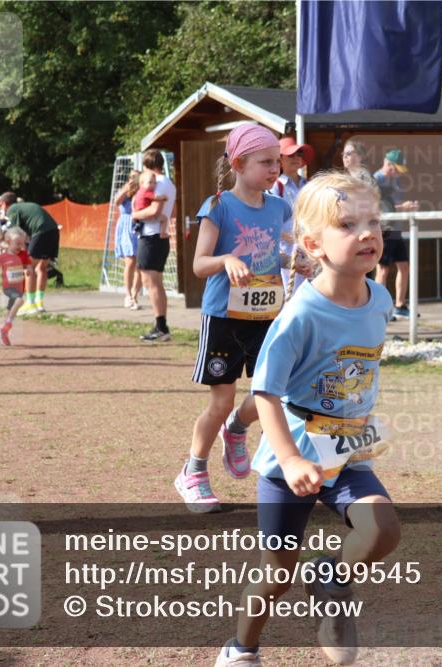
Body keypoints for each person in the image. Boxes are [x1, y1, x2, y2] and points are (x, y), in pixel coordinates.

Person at [213, 171, 400, 667]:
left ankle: (333, 581)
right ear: (313, 244)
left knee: (382, 529)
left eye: (373, 221)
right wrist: (293, 458)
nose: (367, 233)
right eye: (347, 224)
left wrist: (362, 421)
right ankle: (241, 648)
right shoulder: (300, 314)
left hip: (346, 452)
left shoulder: (379, 300)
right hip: (289, 460)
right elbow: (268, 392)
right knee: (276, 570)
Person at [176, 124, 292, 513]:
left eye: (277, 161)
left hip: (267, 314)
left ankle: (239, 429)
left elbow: (281, 251)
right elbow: (198, 265)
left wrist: (301, 261)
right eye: (265, 162)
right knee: (222, 400)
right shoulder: (218, 206)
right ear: (239, 163)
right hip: (224, 317)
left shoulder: (279, 207)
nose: (274, 169)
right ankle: (193, 472)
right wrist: (226, 260)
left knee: (271, 390)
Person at [130, 148, 177, 342]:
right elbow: (171, 212)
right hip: (159, 237)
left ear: (147, 165)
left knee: (151, 283)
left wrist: (134, 215)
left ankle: (160, 327)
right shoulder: (170, 184)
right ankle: (162, 325)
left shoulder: (158, 183)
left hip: (151, 236)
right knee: (156, 283)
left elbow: (154, 210)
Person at [0, 192, 59, 315]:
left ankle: (30, 304)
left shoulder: (12, 209)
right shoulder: (22, 207)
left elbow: (16, 234)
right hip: (53, 230)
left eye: (0, 204)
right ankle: (39, 303)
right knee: (41, 267)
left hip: (41, 230)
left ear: (3, 203)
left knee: (28, 268)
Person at [374, 149, 419, 319]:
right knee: (383, 269)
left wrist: (407, 206)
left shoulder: (397, 180)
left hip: (396, 229)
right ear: (388, 164)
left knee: (404, 266)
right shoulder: (376, 180)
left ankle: (400, 305)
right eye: (397, 168)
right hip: (383, 230)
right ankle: (381, 309)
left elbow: (396, 203)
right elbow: (378, 207)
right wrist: (404, 207)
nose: (398, 172)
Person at [269, 136, 316, 296]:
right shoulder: (275, 186)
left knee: (310, 295)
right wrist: (287, 237)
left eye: (299, 154)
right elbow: (269, 220)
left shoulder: (308, 185)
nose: (296, 158)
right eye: (290, 155)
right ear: (279, 159)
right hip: (286, 251)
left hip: (309, 247)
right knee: (291, 297)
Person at [0, 226, 33, 346]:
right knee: (20, 301)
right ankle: (8, 324)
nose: (21, 246)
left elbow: (29, 266)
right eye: (18, 243)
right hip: (8, 287)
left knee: (11, 311)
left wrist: (28, 270)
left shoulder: (24, 254)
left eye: (23, 244)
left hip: (20, 287)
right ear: (8, 242)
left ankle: (4, 331)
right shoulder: (4, 256)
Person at [113, 170, 142, 310]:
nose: (133, 179)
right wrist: (127, 188)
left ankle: (135, 296)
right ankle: (128, 295)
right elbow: (117, 202)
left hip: (139, 224)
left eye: (135, 177)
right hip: (126, 226)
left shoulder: (143, 191)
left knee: (140, 264)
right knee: (130, 261)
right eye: (130, 177)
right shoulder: (125, 191)